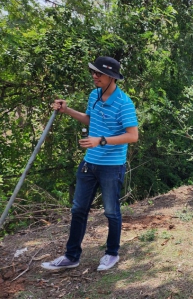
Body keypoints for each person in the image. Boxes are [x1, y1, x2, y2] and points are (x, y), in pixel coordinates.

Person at [42, 57, 139, 271]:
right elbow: (90, 119)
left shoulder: (124, 102)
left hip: (111, 166)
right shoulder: (94, 95)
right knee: (78, 210)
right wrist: (66, 111)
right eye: (92, 72)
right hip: (89, 163)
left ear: (112, 77)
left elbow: (133, 136)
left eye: (99, 73)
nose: (94, 76)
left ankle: (112, 253)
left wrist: (101, 140)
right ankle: (71, 256)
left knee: (111, 212)